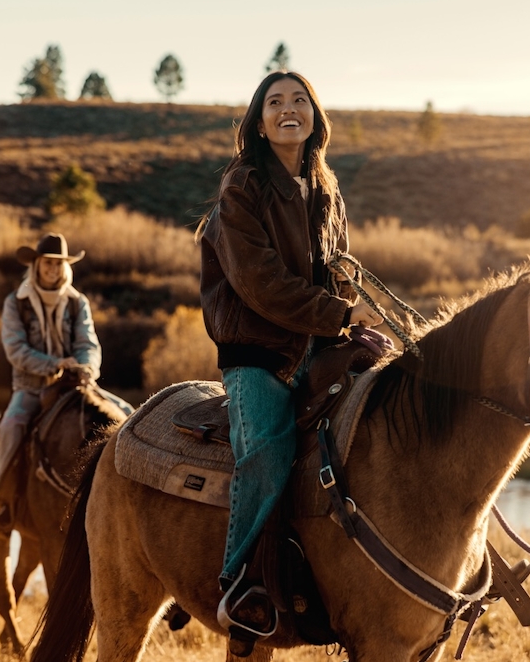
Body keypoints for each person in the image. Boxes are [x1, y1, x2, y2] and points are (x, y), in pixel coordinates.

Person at [196, 71, 381, 641]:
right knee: (270, 451)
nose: (288, 109)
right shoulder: (241, 187)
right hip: (257, 351)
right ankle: (240, 586)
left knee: (386, 417)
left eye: (299, 100)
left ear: (315, 117)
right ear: (258, 121)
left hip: (315, 345)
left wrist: (353, 321)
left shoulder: (325, 189)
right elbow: (261, 284)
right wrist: (338, 316)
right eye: (275, 102)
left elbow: (337, 273)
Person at [0, 232, 102, 527]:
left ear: (66, 267)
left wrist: (86, 366)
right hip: (31, 388)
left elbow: (88, 344)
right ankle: (2, 499)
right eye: (48, 263)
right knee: (12, 426)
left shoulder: (78, 303)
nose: (53, 269)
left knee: (122, 416)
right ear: (36, 265)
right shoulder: (16, 303)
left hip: (75, 388)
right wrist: (54, 364)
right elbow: (16, 350)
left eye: (59, 263)